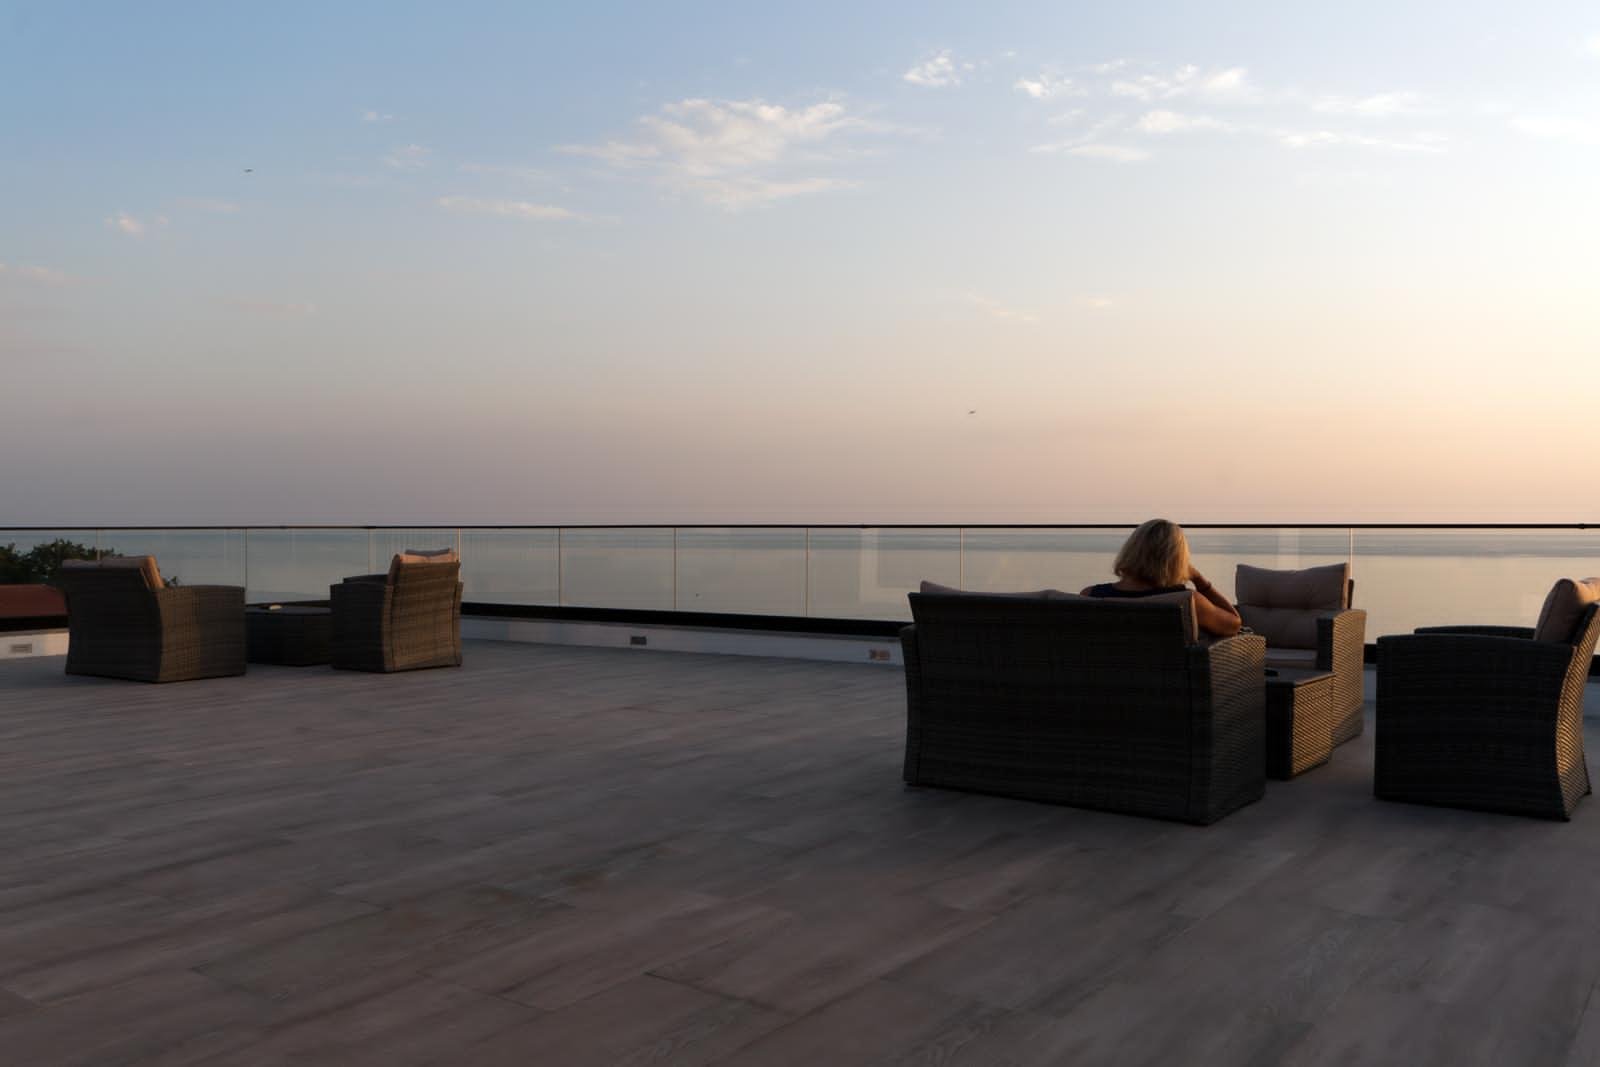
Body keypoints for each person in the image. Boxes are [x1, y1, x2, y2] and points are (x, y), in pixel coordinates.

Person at [1081, 518, 1242, 638]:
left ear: (1131, 551)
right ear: (1177, 559)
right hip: (1170, 674)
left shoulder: (1089, 597)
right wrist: (1199, 579)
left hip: (1103, 674)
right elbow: (1234, 624)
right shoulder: (1187, 602)